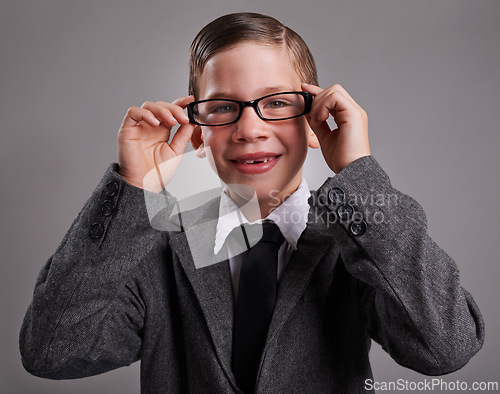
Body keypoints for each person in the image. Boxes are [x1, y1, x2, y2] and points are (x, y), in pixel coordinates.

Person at [19, 12, 484, 393]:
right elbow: (52, 352)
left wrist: (357, 173)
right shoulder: (157, 235)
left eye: (278, 102)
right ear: (197, 129)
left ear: (312, 117)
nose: (250, 128)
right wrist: (136, 187)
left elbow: (445, 347)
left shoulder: (356, 237)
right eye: (223, 106)